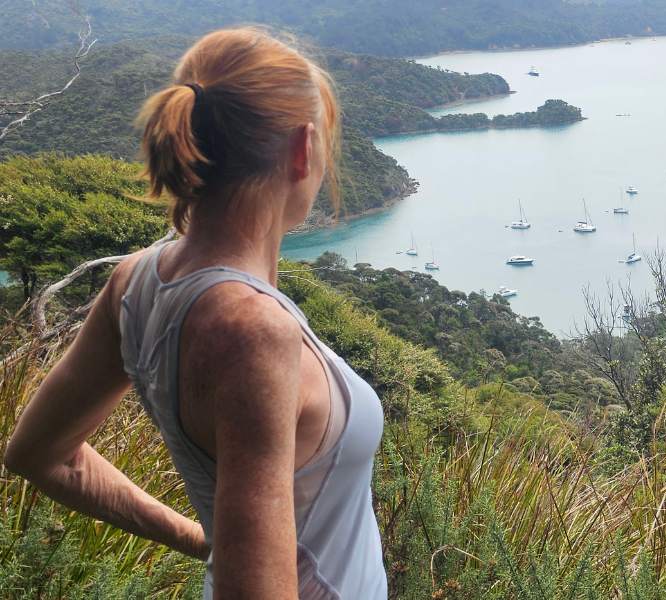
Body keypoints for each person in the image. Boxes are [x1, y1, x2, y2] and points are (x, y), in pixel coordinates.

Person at [3, 27, 387, 599]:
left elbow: (37, 454)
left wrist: (210, 541)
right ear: (302, 149)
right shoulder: (255, 333)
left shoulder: (134, 283)